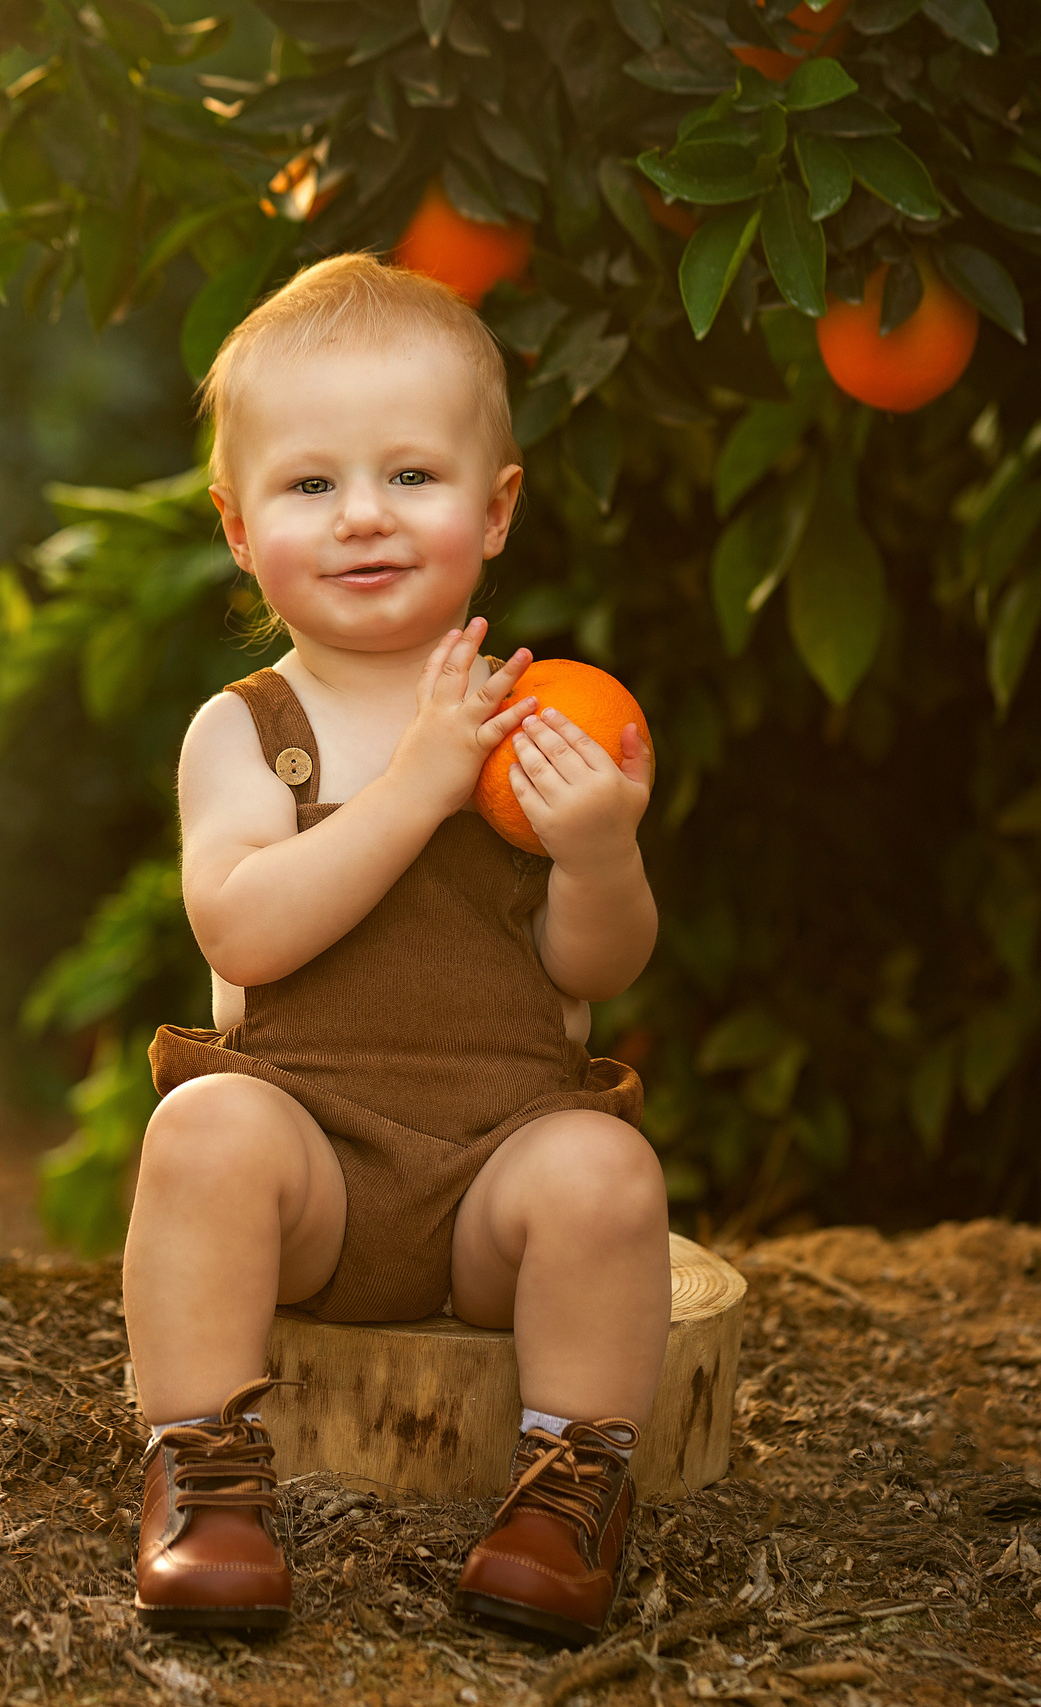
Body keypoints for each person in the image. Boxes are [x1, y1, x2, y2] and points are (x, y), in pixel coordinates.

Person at [122, 252, 671, 1647]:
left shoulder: (541, 715)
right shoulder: (247, 729)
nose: (364, 516)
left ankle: (569, 1482)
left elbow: (590, 972)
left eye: (412, 478)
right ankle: (202, 1468)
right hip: (315, 1169)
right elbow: (241, 924)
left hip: (495, 1175)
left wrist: (601, 851)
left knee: (607, 1169)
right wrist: (420, 784)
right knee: (201, 1134)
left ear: (493, 512)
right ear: (241, 530)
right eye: (312, 486)